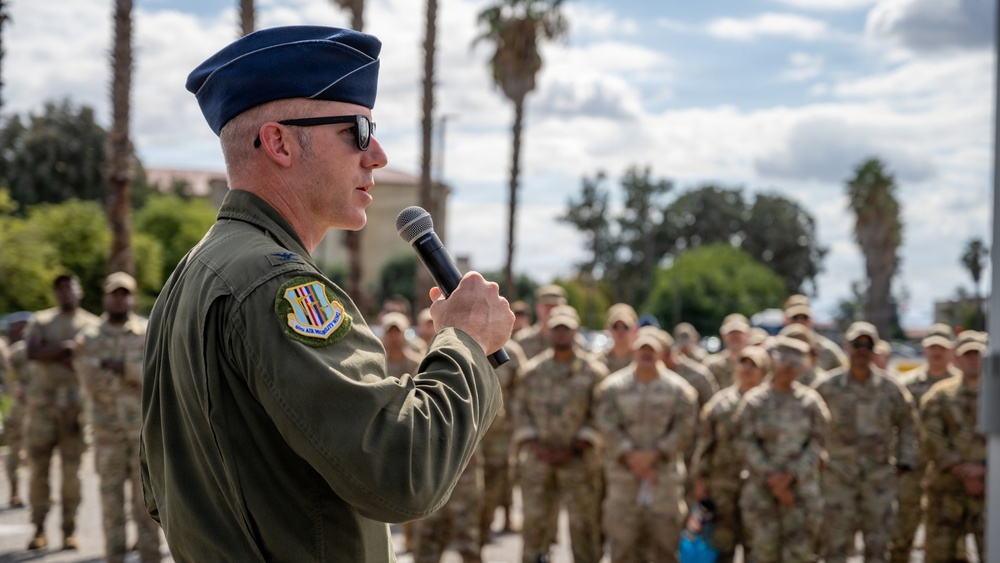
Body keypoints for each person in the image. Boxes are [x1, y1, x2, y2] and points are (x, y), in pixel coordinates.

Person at [139, 26, 514, 562]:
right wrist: (466, 343)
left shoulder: (192, 274)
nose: (377, 155)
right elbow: (400, 472)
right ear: (279, 143)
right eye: (357, 131)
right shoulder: (277, 285)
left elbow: (162, 488)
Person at [811, 322, 917, 563]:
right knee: (834, 544)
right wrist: (816, 459)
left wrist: (904, 460)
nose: (861, 350)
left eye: (867, 346)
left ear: (875, 350)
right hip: (838, 476)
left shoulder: (891, 389)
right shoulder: (826, 387)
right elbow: (809, 424)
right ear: (846, 347)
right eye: (857, 344)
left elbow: (908, 424)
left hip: (878, 478)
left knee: (878, 544)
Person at [74, 272, 160, 563]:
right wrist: (133, 371)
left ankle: (151, 557)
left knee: (147, 503)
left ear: (133, 298)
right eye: (115, 294)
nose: (120, 300)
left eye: (125, 294)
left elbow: (154, 375)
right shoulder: (88, 337)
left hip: (142, 435)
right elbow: (90, 380)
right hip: (106, 434)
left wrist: (120, 367)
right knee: (111, 505)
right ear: (106, 297)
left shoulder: (148, 332)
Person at [594, 329, 698, 563]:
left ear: (661, 353)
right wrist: (629, 455)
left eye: (652, 350)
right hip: (623, 480)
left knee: (666, 548)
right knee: (622, 548)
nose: (647, 354)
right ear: (634, 351)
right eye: (643, 349)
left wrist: (655, 454)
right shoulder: (612, 388)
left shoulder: (679, 389)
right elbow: (605, 424)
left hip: (664, 480)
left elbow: (684, 427)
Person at [512, 306, 607, 563]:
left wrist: (575, 447)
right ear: (549, 332)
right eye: (557, 329)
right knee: (534, 526)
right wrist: (536, 444)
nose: (561, 334)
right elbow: (520, 410)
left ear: (575, 332)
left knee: (583, 526)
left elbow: (601, 415)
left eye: (566, 329)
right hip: (538, 460)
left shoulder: (593, 372)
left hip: (579, 460)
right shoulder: (532, 371)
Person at [735, 337, 830, 562]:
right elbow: (744, 443)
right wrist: (773, 480)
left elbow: (818, 443)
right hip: (761, 493)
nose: (788, 369)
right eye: (783, 362)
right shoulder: (754, 401)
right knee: (764, 554)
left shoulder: (811, 402)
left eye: (795, 363)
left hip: (800, 494)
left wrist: (790, 476)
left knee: (799, 555)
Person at [23, 273, 99, 550]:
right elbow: (32, 351)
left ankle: (69, 529)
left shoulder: (92, 324)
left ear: (79, 290)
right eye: (60, 288)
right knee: (38, 470)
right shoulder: (41, 320)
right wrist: (66, 349)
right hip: (42, 406)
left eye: (70, 287)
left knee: (71, 473)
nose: (65, 292)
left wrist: (53, 352)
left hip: (75, 408)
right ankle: (39, 528)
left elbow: (92, 360)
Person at [690, 345, 768, 563]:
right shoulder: (720, 403)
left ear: (764, 371)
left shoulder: (771, 404)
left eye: (754, 365)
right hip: (722, 488)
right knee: (722, 548)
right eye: (743, 363)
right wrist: (699, 482)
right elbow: (704, 445)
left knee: (758, 549)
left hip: (759, 489)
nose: (747, 369)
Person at [890, 323, 960, 563]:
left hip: (948, 471)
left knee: (948, 539)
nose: (937, 352)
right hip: (912, 468)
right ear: (924, 349)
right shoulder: (906, 385)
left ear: (952, 350)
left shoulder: (961, 386)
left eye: (942, 348)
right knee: (901, 533)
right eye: (932, 347)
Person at [919, 330, 987, 562]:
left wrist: (984, 468)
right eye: (968, 355)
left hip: (990, 490)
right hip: (946, 490)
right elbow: (930, 436)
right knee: (940, 554)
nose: (973, 360)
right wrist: (962, 471)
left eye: (978, 355)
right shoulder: (940, 395)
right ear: (956, 358)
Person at [478, 340, 528, 540]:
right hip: (467, 431)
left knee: (497, 479)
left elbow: (522, 391)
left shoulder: (511, 353)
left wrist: (516, 425)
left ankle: (484, 527)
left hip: (499, 433)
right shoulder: (462, 344)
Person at [2, 311, 32, 508]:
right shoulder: (17, 352)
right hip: (20, 407)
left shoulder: (34, 349)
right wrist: (14, 387)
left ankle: (36, 493)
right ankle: (14, 491)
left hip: (37, 407)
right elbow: (8, 375)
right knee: (15, 449)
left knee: (38, 452)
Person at [782, 295, 847, 371]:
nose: (800, 321)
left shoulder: (826, 349)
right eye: (795, 317)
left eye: (804, 317)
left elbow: (845, 371)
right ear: (785, 319)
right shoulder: (775, 349)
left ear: (811, 320)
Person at [704, 314, 751, 389]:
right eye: (731, 333)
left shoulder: (757, 364)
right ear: (723, 335)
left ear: (748, 334)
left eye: (739, 333)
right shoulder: (712, 365)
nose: (735, 337)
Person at [597, 303, 638, 374]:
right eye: (615, 326)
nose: (620, 331)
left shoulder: (641, 361)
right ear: (608, 329)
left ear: (634, 329)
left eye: (625, 326)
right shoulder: (598, 362)